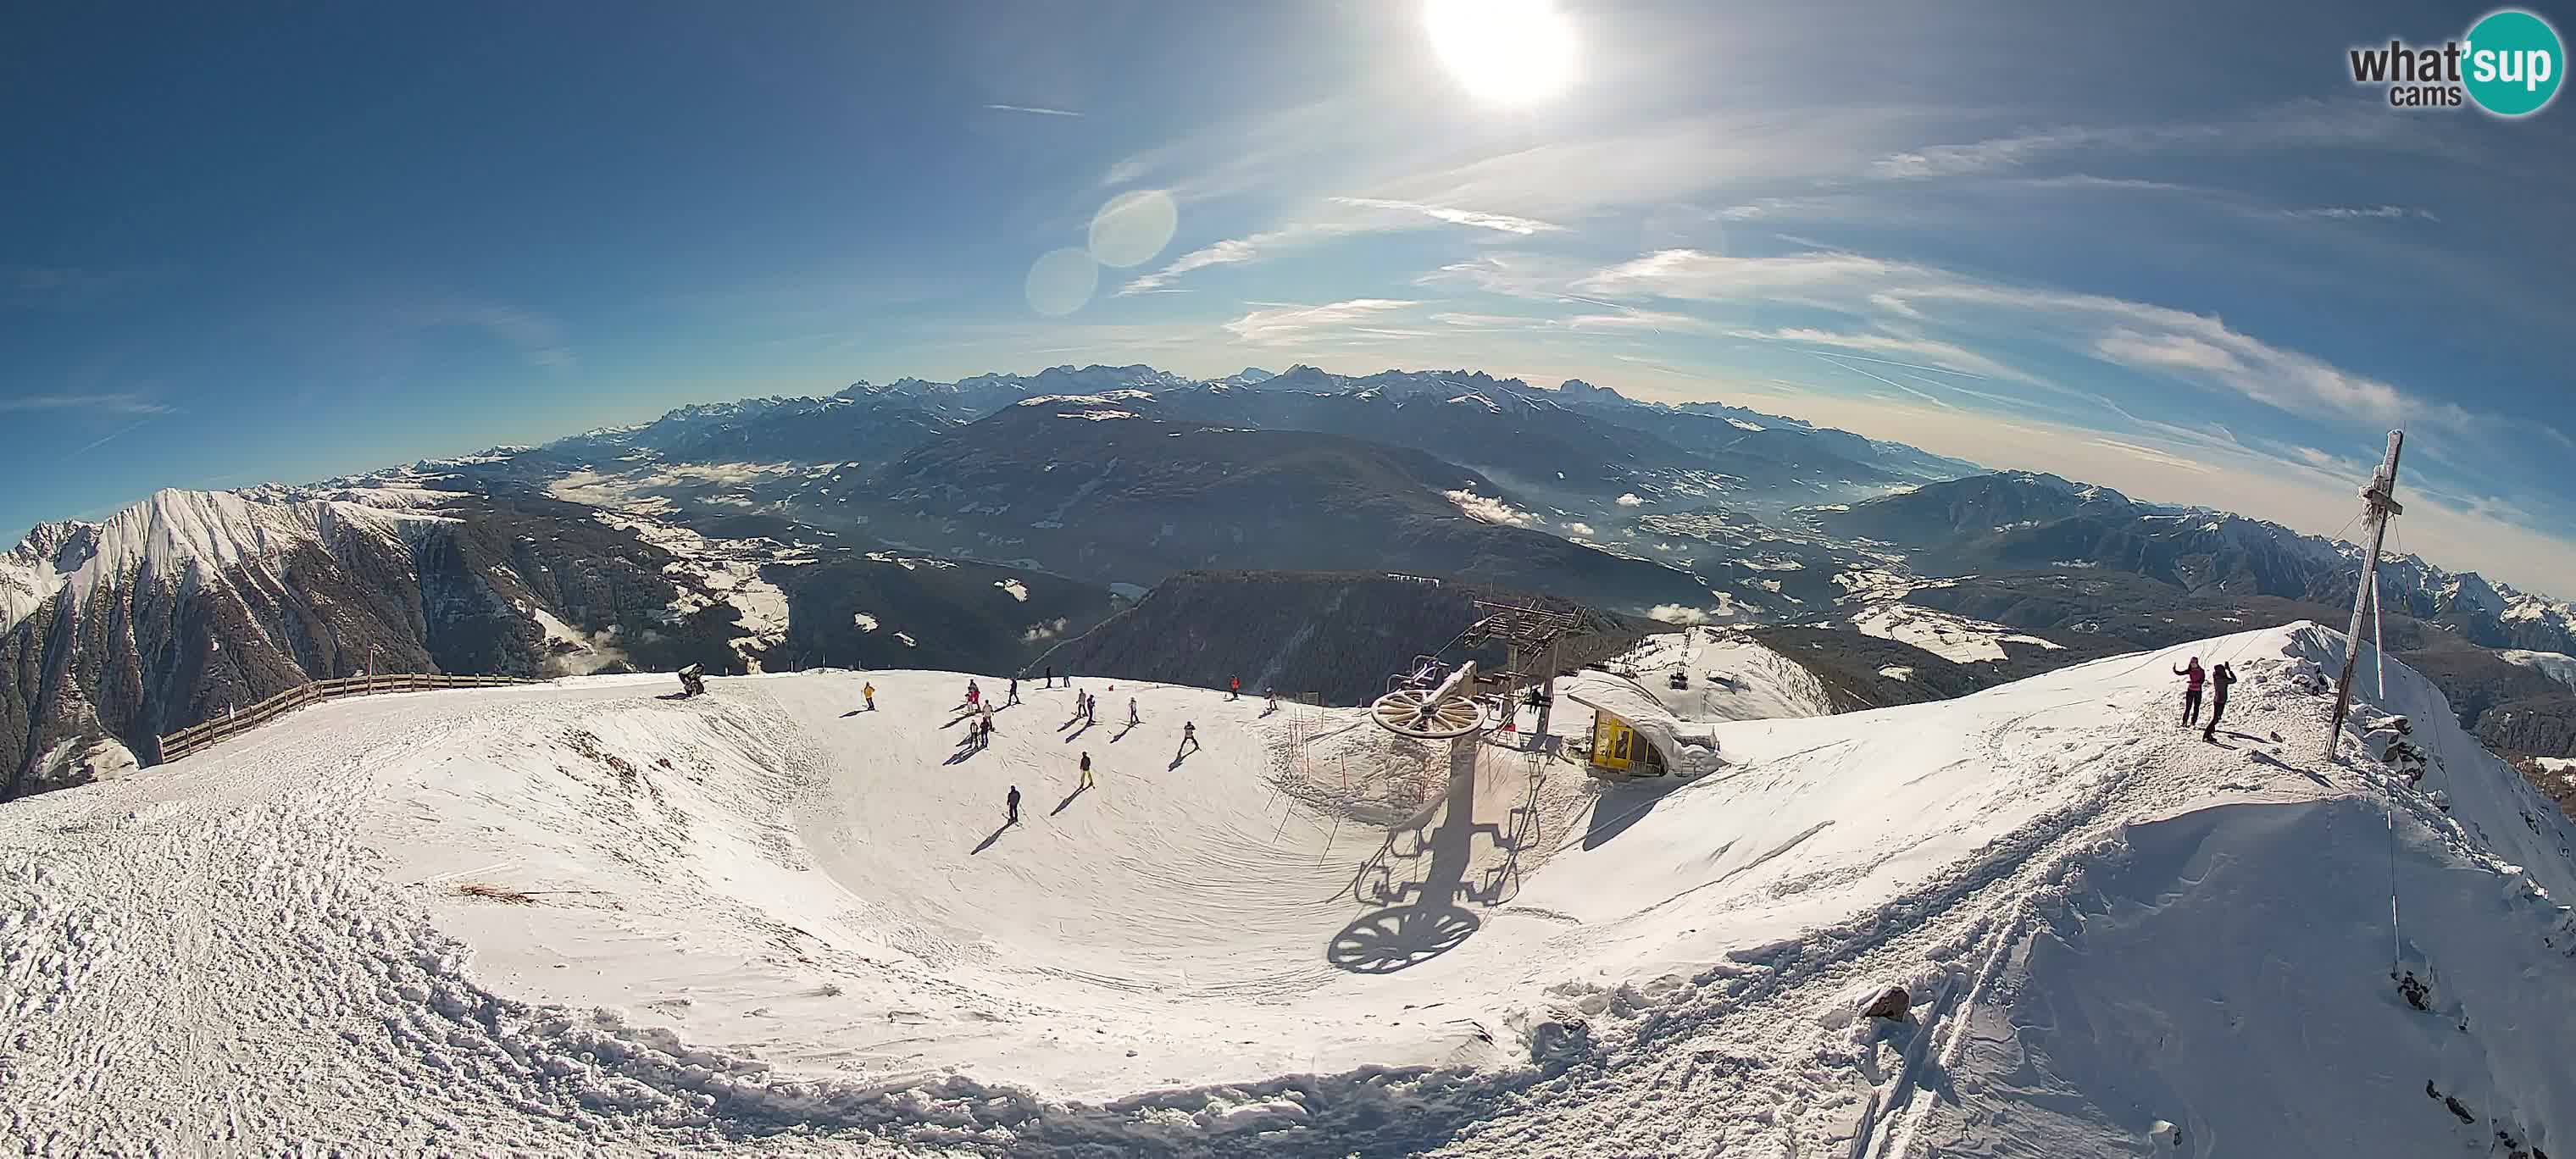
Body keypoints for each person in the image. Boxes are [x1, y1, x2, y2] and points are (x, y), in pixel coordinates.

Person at [2202, 663, 2238, 740]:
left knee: (2216, 718)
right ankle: (2207, 734)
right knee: (2216, 719)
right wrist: (2229, 671)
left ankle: (2210, 733)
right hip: (2220, 701)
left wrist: (2225, 670)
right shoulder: (2222, 679)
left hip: (2217, 700)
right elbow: (2234, 680)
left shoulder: (2216, 676)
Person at [2174, 657, 2206, 727]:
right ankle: (2184, 723)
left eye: (2194, 662)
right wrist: (2175, 670)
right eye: (2191, 662)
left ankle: (2193, 723)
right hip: (2190, 691)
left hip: (2198, 691)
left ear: (2197, 663)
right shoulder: (2190, 670)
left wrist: (2192, 682)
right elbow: (2181, 673)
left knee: (2196, 707)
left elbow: (2201, 681)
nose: (2192, 664)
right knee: (2188, 707)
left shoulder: (2201, 671)